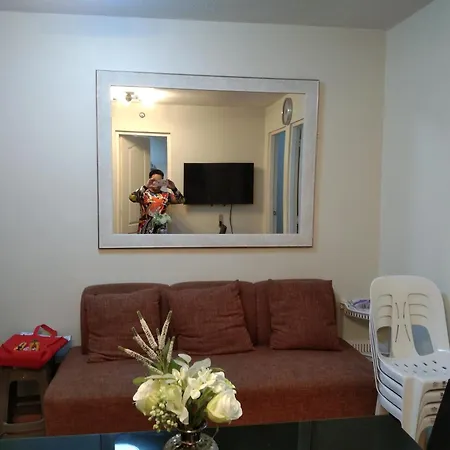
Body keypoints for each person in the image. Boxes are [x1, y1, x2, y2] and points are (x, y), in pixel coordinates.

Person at [129, 169, 185, 234]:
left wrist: (174, 189)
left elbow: (182, 200)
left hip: (160, 230)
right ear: (149, 181)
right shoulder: (143, 194)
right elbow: (132, 198)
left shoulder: (166, 195)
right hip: (144, 229)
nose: (156, 183)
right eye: (153, 181)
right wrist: (145, 186)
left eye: (159, 181)